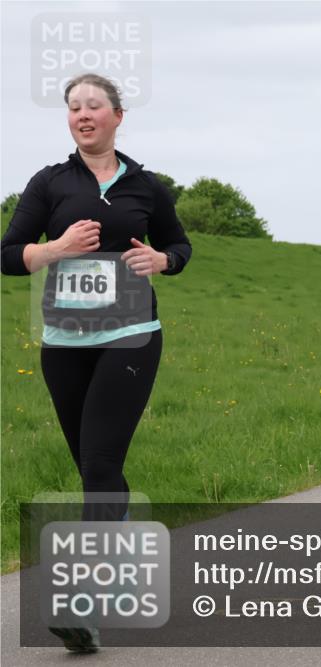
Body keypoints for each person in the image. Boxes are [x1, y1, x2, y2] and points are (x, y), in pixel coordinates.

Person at [0, 74, 192, 653]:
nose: (83, 115)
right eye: (74, 108)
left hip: (131, 336)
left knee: (104, 464)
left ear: (117, 115)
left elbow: (180, 247)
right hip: (64, 343)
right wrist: (54, 250)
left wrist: (163, 259)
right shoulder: (49, 182)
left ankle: (79, 601)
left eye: (94, 106)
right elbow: (9, 254)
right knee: (92, 470)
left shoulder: (146, 186)